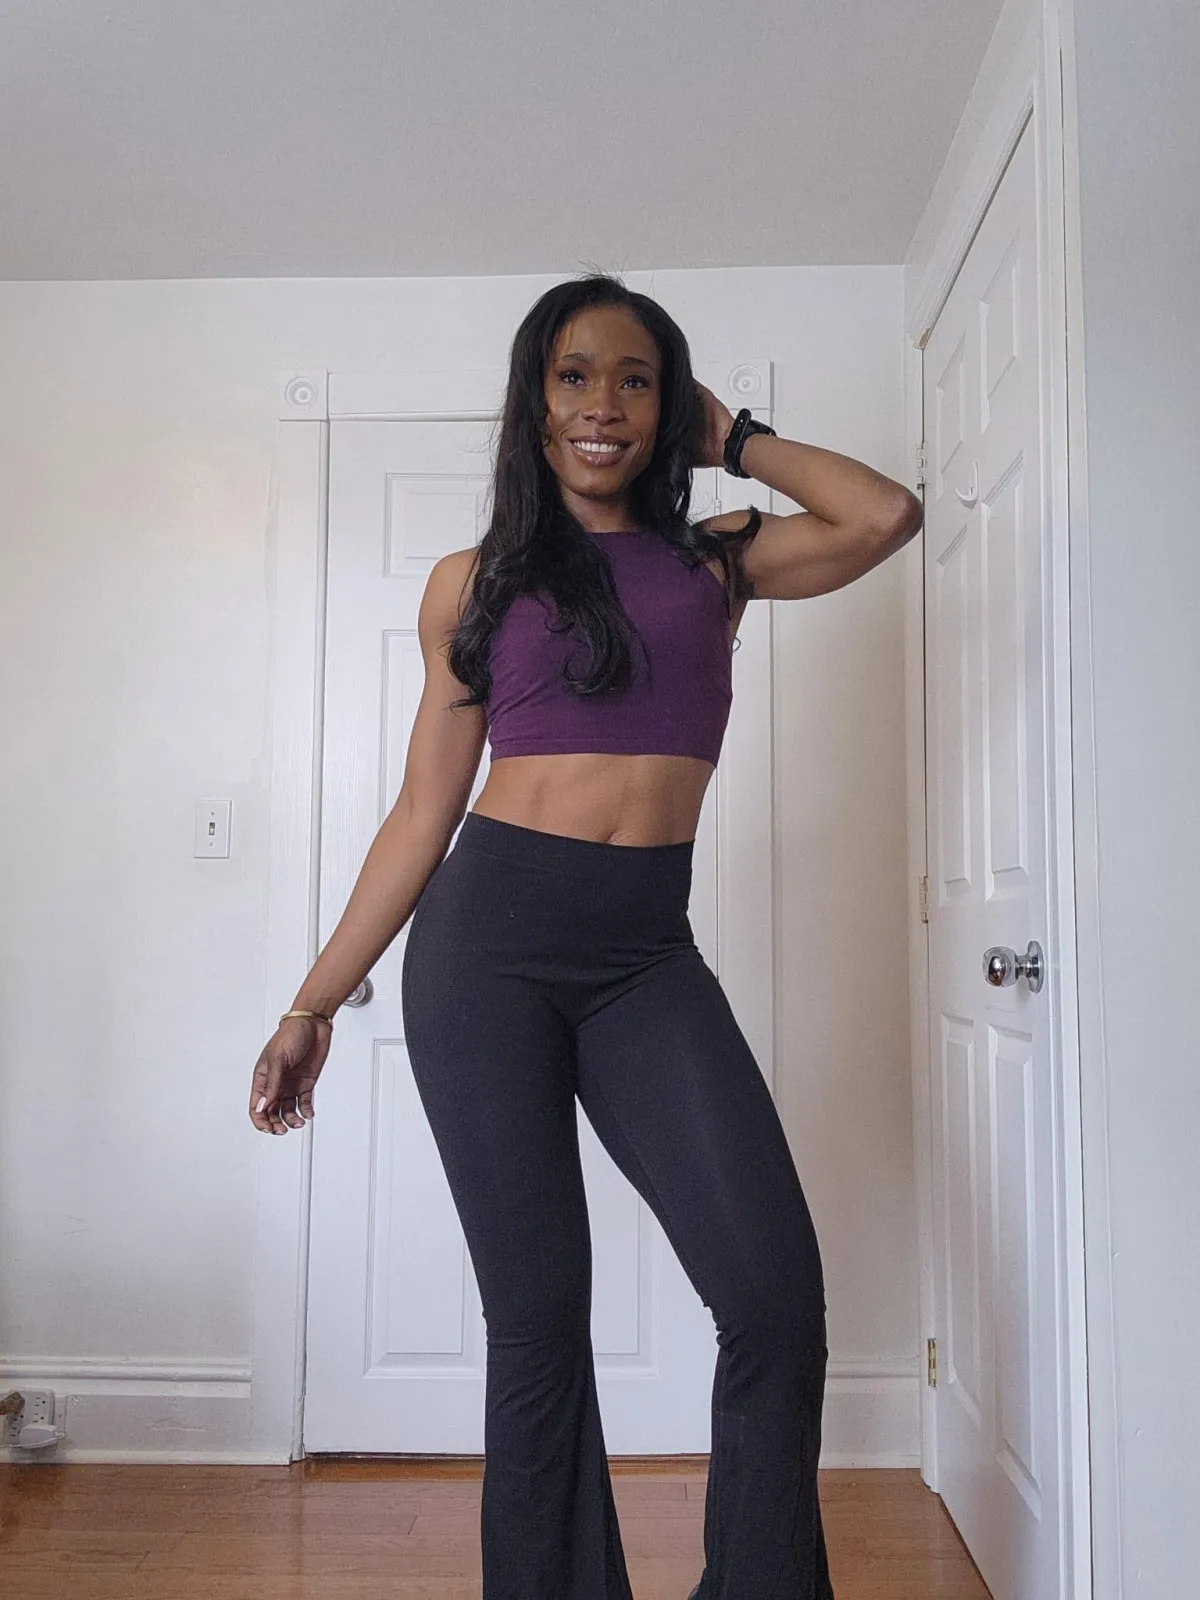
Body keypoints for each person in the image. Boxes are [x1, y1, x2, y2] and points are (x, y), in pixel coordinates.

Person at [248, 272, 922, 1600]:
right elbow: (421, 814)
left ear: (669, 405)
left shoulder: (715, 560)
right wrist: (313, 1001)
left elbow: (884, 514)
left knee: (774, 1297)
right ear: (534, 402)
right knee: (540, 1320)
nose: (603, 404)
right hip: (484, 956)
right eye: (573, 376)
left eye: (635, 379)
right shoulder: (473, 586)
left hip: (643, 959)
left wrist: (737, 437)